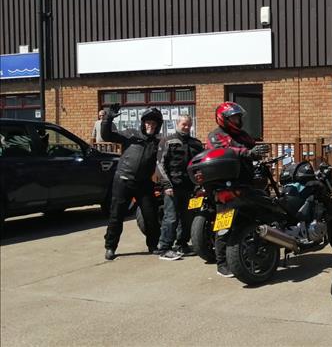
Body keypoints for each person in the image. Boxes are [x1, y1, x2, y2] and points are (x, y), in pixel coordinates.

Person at [207, 101, 269, 277]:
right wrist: (246, 152)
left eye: (238, 116)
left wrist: (259, 151)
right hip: (226, 186)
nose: (237, 119)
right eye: (234, 117)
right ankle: (222, 263)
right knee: (224, 225)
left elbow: (252, 146)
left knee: (251, 219)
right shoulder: (216, 135)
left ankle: (249, 254)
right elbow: (223, 151)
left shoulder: (243, 135)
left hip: (245, 182)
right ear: (224, 119)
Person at [102, 105, 164, 261]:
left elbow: (166, 159)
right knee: (116, 215)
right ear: (143, 123)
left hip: (144, 184)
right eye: (148, 122)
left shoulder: (158, 142)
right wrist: (108, 118)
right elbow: (107, 135)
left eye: (154, 123)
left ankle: (153, 245)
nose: (151, 125)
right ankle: (110, 247)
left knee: (150, 216)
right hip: (123, 180)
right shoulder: (130, 134)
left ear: (158, 126)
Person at [154, 115, 204, 261]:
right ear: (177, 124)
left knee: (187, 217)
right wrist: (167, 185)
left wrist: (199, 183)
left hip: (190, 187)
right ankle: (164, 248)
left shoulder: (196, 143)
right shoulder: (168, 141)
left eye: (188, 125)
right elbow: (160, 164)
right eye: (184, 124)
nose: (186, 127)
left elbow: (199, 165)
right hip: (172, 187)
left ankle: (182, 244)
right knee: (171, 217)